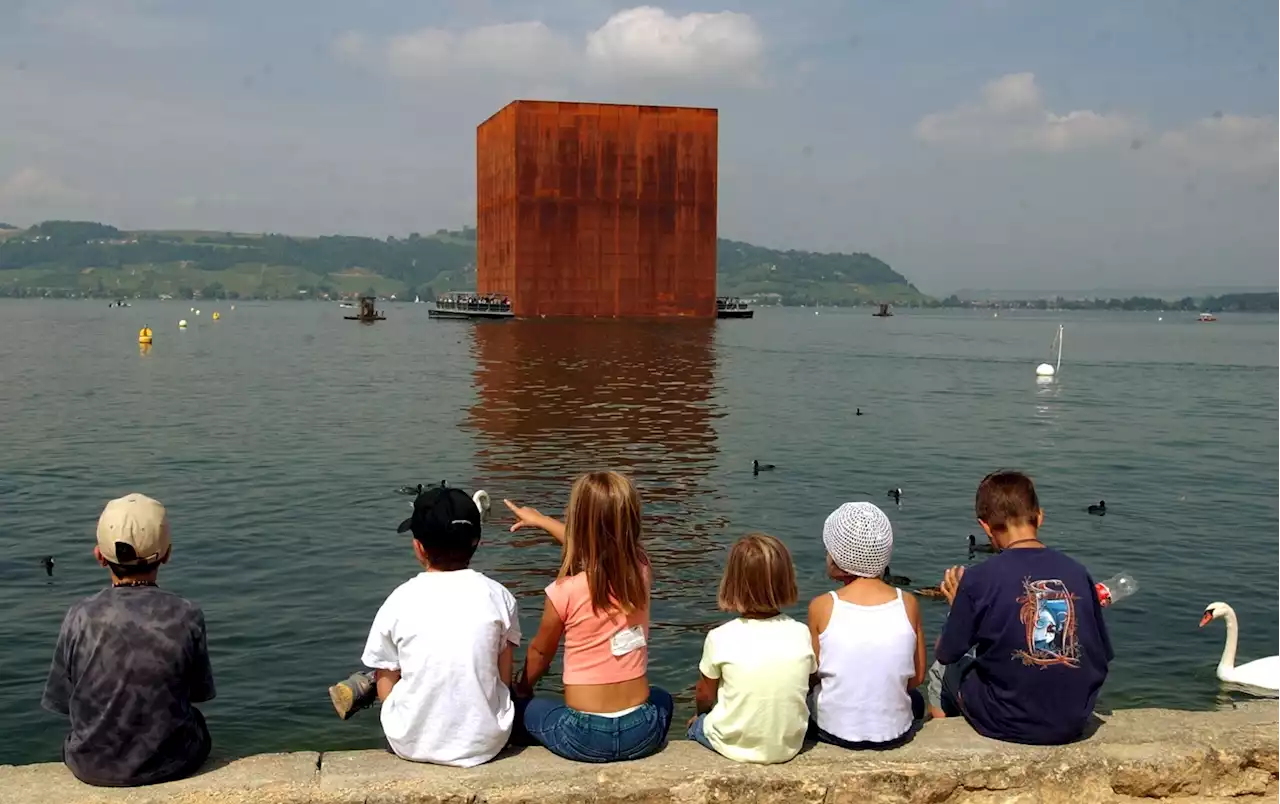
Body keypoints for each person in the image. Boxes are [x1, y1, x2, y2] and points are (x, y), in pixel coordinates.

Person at [42, 493, 215, 787]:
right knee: (196, 722)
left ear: (99, 556)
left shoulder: (79, 616)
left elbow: (62, 700)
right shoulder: (186, 614)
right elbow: (199, 692)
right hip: (171, 763)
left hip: (90, 765)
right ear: (167, 554)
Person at [929, 470, 1113, 745]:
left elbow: (946, 653)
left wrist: (957, 609)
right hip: (1073, 719)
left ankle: (946, 747)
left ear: (986, 527)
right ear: (1040, 516)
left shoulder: (979, 578)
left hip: (1009, 721)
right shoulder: (1078, 573)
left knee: (938, 672)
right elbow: (1101, 655)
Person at [504, 471, 673, 763]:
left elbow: (541, 653)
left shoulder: (563, 592)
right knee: (661, 698)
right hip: (641, 732)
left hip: (582, 736)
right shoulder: (641, 570)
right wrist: (543, 522)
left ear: (578, 525)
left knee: (522, 711)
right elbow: (596, 546)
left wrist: (522, 688)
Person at [356, 484, 521, 767]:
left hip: (410, 743)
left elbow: (386, 680)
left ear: (418, 547)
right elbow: (503, 678)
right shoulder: (499, 596)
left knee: (386, 674)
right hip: (486, 742)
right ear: (476, 542)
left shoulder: (398, 600)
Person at [807, 502, 927, 749]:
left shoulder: (822, 606)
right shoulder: (908, 603)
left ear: (838, 558)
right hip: (895, 733)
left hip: (833, 731)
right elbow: (916, 677)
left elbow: (811, 676)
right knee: (915, 699)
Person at [688, 533, 814, 763]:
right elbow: (809, 682)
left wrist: (701, 714)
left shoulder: (720, 637)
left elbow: (704, 695)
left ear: (732, 583)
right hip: (788, 746)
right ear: (786, 581)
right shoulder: (801, 633)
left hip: (733, 747)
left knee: (695, 726)